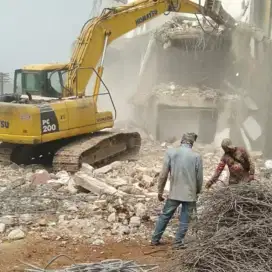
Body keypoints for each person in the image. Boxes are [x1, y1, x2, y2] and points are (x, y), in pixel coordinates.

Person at [151, 132, 203, 248]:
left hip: (174, 193)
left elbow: (163, 175)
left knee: (165, 216)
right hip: (189, 194)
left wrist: (160, 191)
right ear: (192, 143)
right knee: (185, 218)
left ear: (182, 141)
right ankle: (178, 243)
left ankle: (155, 239)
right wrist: (198, 191)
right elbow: (199, 178)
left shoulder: (171, 152)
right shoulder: (196, 156)